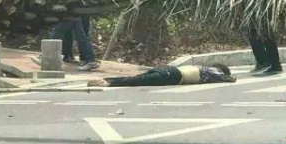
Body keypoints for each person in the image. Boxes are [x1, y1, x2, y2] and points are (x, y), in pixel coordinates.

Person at [87, 63, 236, 87]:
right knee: (137, 81)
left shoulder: (200, 68)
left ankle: (107, 80)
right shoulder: (215, 72)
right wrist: (230, 77)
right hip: (173, 75)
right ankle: (107, 82)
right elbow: (225, 78)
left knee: (139, 79)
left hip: (169, 70)